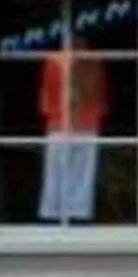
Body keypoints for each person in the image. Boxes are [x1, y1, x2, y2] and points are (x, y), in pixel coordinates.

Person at [40, 32, 111, 224]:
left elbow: (97, 94)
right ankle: (61, 216)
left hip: (81, 124)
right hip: (66, 124)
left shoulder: (92, 61)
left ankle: (72, 217)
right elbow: (48, 96)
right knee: (62, 176)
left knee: (78, 177)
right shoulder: (56, 60)